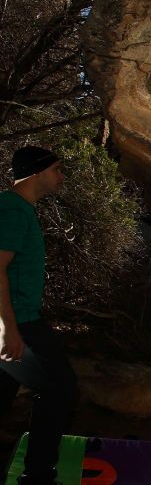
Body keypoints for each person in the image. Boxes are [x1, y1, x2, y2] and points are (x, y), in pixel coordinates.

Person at [0, 146, 78, 485]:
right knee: (60, 388)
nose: (61, 176)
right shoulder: (12, 209)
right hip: (20, 321)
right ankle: (38, 477)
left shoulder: (17, 208)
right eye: (58, 169)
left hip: (16, 318)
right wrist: (8, 329)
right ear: (37, 172)